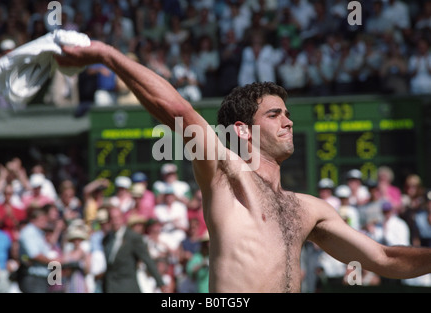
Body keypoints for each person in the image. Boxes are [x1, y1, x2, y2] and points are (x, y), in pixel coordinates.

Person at [55, 40, 431, 293]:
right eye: (274, 114)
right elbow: (176, 111)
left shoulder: (310, 209)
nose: (289, 122)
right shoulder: (226, 173)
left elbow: (386, 259)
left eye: (287, 114)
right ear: (243, 131)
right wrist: (106, 54)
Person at [101, 206, 165, 293]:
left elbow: (147, 260)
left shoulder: (133, 237)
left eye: (117, 218)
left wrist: (161, 284)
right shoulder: (107, 239)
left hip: (127, 286)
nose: (115, 221)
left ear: (122, 218)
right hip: (110, 287)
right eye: (112, 219)